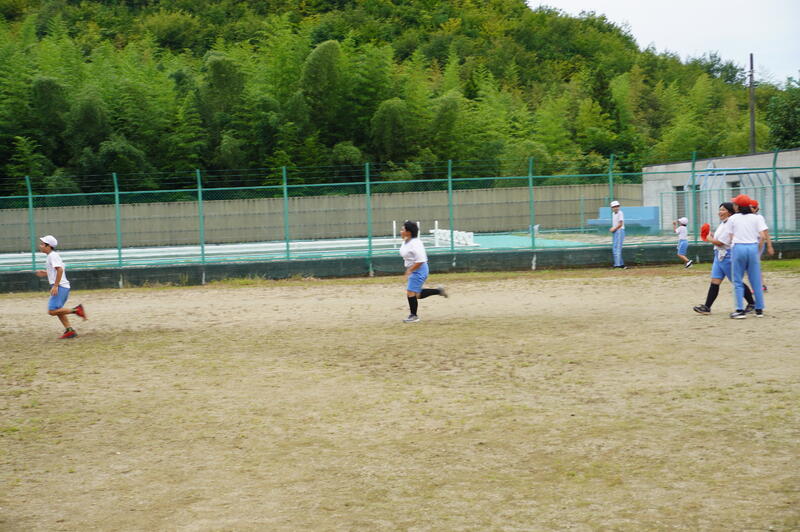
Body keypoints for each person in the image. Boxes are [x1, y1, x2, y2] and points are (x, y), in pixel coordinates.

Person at [693, 203, 755, 315]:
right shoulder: (723, 223)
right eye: (720, 209)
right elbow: (719, 240)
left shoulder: (730, 224)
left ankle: (752, 304)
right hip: (719, 256)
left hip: (728, 256)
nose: (719, 212)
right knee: (715, 282)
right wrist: (712, 236)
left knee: (736, 281)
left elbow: (721, 242)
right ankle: (707, 307)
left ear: (730, 212)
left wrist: (709, 238)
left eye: (723, 210)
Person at [35, 235, 87, 338]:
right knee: (58, 309)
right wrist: (45, 273)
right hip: (62, 286)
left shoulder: (52, 256)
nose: (40, 246)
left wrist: (55, 286)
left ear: (49, 246)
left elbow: (60, 270)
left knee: (52, 311)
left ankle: (77, 310)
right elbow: (56, 270)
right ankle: (69, 331)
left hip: (60, 287)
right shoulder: (51, 256)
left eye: (42, 244)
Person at [727, 196, 768, 319]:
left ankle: (739, 310)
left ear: (738, 206)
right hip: (753, 247)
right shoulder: (756, 218)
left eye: (735, 204)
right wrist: (758, 250)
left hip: (739, 247)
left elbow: (730, 237)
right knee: (755, 280)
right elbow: (763, 236)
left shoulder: (733, 218)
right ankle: (759, 309)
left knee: (737, 280)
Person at [399, 221, 447, 322]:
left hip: (419, 269)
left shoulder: (416, 244)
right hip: (414, 269)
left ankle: (413, 316)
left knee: (410, 292)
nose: (401, 231)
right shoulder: (406, 241)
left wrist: (410, 270)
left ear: (409, 232)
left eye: (403, 229)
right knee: (417, 294)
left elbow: (421, 260)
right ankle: (439, 291)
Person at [750, 199, 775, 292]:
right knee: (754, 265)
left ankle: (759, 286)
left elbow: (765, 233)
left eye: (752, 207)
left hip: (758, 242)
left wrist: (769, 246)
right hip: (751, 242)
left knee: (754, 265)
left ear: (756, 209)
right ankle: (761, 285)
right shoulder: (748, 217)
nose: (751, 209)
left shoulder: (759, 218)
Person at [609, 200, 626, 269]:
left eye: (617, 206)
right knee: (615, 248)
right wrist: (613, 229)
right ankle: (621, 264)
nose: (616, 208)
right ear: (612, 208)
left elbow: (620, 224)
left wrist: (614, 229)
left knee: (617, 248)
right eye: (614, 207)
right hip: (616, 231)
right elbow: (616, 223)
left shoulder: (620, 213)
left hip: (619, 231)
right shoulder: (613, 214)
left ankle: (617, 265)